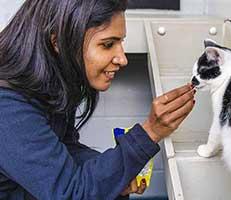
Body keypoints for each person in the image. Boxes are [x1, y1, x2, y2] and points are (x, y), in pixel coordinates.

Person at [0, 0, 195, 199]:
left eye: (121, 42)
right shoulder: (8, 108)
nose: (122, 58)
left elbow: (66, 150)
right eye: (108, 44)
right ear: (58, 42)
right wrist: (150, 132)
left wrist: (117, 174)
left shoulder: (49, 81)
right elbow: (70, 194)